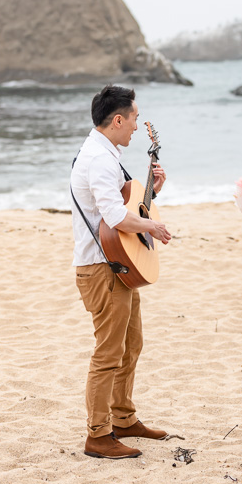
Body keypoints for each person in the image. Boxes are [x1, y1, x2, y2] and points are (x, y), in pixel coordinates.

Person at [71, 85, 171, 460]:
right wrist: (154, 228)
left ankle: (124, 418)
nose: (135, 126)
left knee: (132, 344)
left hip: (118, 265)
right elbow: (114, 217)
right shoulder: (98, 159)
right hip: (101, 269)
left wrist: (153, 194)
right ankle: (98, 435)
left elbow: (120, 207)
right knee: (108, 354)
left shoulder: (107, 154)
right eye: (133, 119)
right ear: (117, 119)